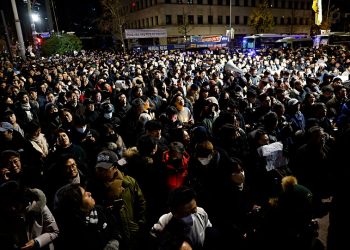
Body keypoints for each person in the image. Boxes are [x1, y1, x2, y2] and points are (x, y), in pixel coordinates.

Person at [87, 150, 147, 250]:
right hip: (111, 238)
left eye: (105, 169)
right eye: (99, 169)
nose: (101, 172)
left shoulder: (129, 182)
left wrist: (140, 223)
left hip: (132, 232)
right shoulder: (92, 188)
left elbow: (141, 203)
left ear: (115, 168)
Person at [53, 183, 121, 250]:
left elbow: (114, 228)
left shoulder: (100, 210)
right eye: (85, 195)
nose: (89, 193)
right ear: (77, 205)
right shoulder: (71, 232)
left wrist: (113, 243)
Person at [0, 180, 59, 250]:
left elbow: (54, 231)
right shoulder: (6, 210)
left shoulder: (41, 207)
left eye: (15, 205)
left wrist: (36, 242)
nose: (12, 208)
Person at [150, 186, 212, 250]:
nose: (195, 212)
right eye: (187, 213)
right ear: (174, 211)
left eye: (194, 208)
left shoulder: (201, 213)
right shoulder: (164, 223)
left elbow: (208, 227)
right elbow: (153, 242)